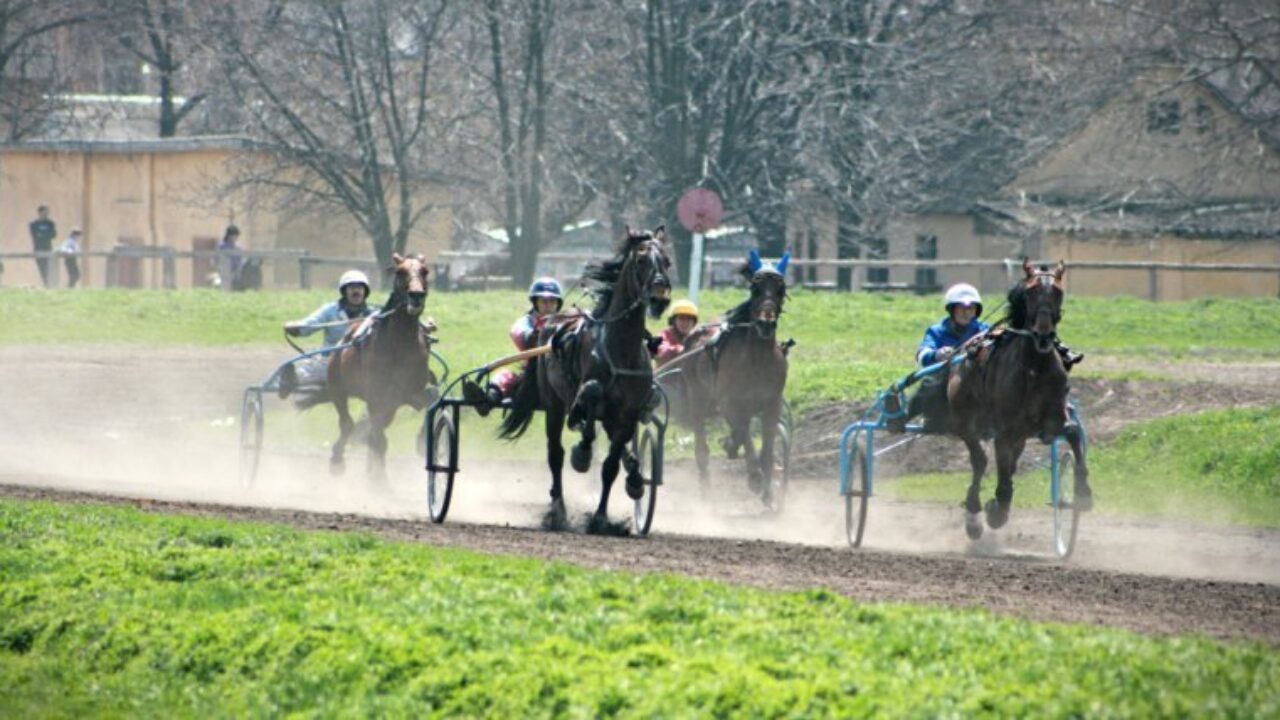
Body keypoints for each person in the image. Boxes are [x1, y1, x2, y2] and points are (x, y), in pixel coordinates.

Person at [890, 283, 990, 434]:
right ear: (952, 310)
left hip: (978, 381)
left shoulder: (984, 331)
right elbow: (922, 355)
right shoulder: (936, 332)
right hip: (942, 384)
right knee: (930, 383)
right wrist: (937, 354)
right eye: (962, 307)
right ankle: (908, 416)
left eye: (971, 308)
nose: (966, 312)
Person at [464, 277, 563, 416]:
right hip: (531, 377)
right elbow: (517, 332)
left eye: (552, 301)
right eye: (544, 301)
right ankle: (488, 400)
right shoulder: (527, 321)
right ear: (535, 303)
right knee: (505, 376)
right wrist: (533, 335)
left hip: (560, 376)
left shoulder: (565, 323)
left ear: (558, 303)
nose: (549, 306)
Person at [277, 269, 379, 398]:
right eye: (352, 288)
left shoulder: (374, 314)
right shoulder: (330, 310)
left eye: (359, 288)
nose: (356, 291)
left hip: (359, 364)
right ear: (344, 291)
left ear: (365, 291)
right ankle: (291, 378)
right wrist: (295, 328)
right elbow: (310, 324)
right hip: (329, 361)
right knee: (309, 372)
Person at [653, 299, 699, 367]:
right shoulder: (664, 335)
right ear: (673, 321)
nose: (685, 323)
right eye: (681, 318)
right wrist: (683, 349)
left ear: (694, 322)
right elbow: (662, 352)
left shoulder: (697, 335)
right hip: (666, 376)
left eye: (689, 319)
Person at [29, 205, 57, 287]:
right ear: (39, 212)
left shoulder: (50, 223)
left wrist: (42, 235)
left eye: (47, 212)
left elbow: (54, 234)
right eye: (45, 212)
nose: (46, 214)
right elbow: (34, 235)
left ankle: (51, 284)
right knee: (42, 267)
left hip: (48, 248)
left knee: (49, 267)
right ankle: (46, 283)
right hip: (38, 248)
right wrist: (45, 235)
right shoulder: (33, 224)